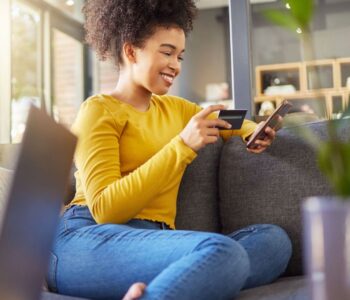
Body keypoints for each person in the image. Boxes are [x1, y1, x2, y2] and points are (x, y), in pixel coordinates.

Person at [46, 1, 292, 299]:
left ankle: (165, 287)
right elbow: (106, 210)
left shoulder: (177, 109)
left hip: (156, 242)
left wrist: (254, 130)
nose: (176, 64)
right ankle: (202, 272)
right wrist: (182, 146)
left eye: (180, 56)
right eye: (166, 52)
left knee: (274, 241)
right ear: (131, 50)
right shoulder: (98, 111)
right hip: (88, 241)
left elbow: (229, 120)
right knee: (223, 252)